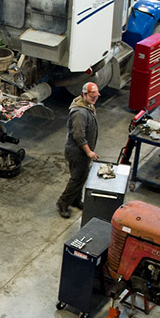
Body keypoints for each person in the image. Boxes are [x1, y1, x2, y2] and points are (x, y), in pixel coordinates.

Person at [57, 81, 100, 218]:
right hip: (77, 152)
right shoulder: (80, 112)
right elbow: (78, 135)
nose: (94, 99)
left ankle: (76, 200)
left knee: (82, 176)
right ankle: (62, 202)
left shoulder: (88, 105)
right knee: (77, 178)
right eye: (92, 97)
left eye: (96, 96)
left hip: (83, 151)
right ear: (84, 94)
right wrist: (88, 151)